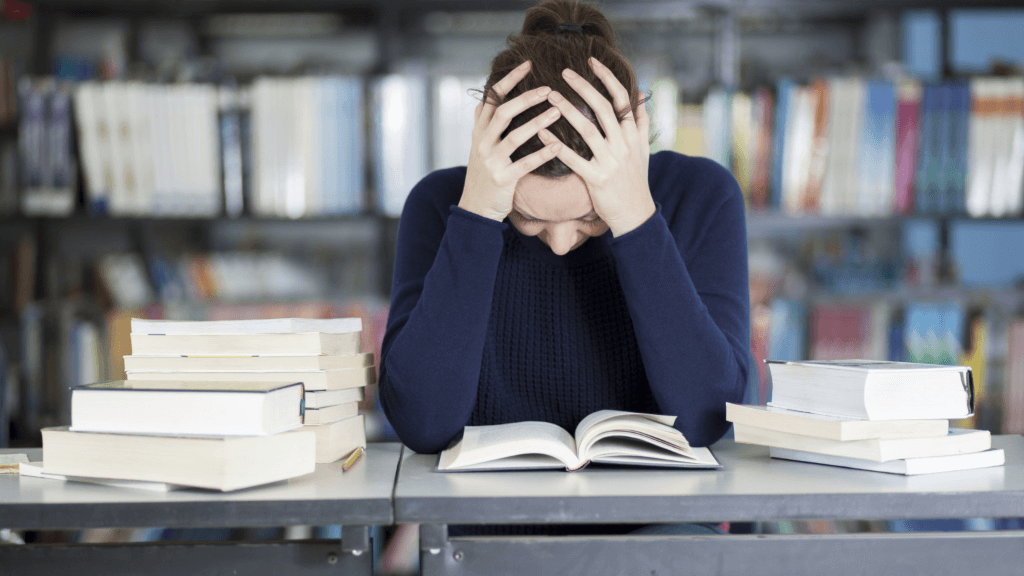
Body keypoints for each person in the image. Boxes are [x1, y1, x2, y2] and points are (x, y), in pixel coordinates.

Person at [379, 0, 749, 465]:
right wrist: (476, 217)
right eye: (529, 218)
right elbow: (421, 423)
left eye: (590, 219)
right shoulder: (442, 206)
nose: (558, 244)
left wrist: (636, 219)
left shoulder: (702, 197)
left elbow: (708, 418)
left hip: (660, 526)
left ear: (634, 146)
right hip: (489, 528)